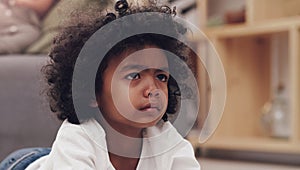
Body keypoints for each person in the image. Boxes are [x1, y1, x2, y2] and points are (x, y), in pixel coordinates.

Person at [2, 0, 201, 169]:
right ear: (92, 93)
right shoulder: (78, 138)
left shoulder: (166, 140)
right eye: (134, 76)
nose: (153, 90)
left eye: (161, 77)